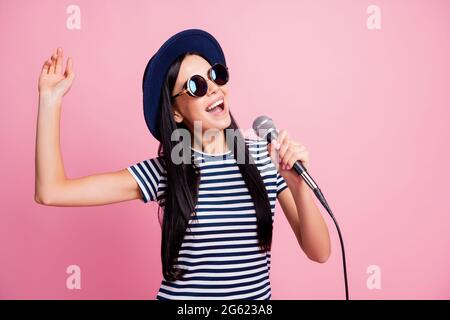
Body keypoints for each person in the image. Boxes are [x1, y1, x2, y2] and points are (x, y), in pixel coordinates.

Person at [35, 29, 331, 300]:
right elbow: (51, 191)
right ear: (176, 112)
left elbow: (319, 252)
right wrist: (50, 100)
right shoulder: (167, 171)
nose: (214, 87)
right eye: (196, 85)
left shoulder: (267, 159)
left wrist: (298, 186)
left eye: (215, 75)